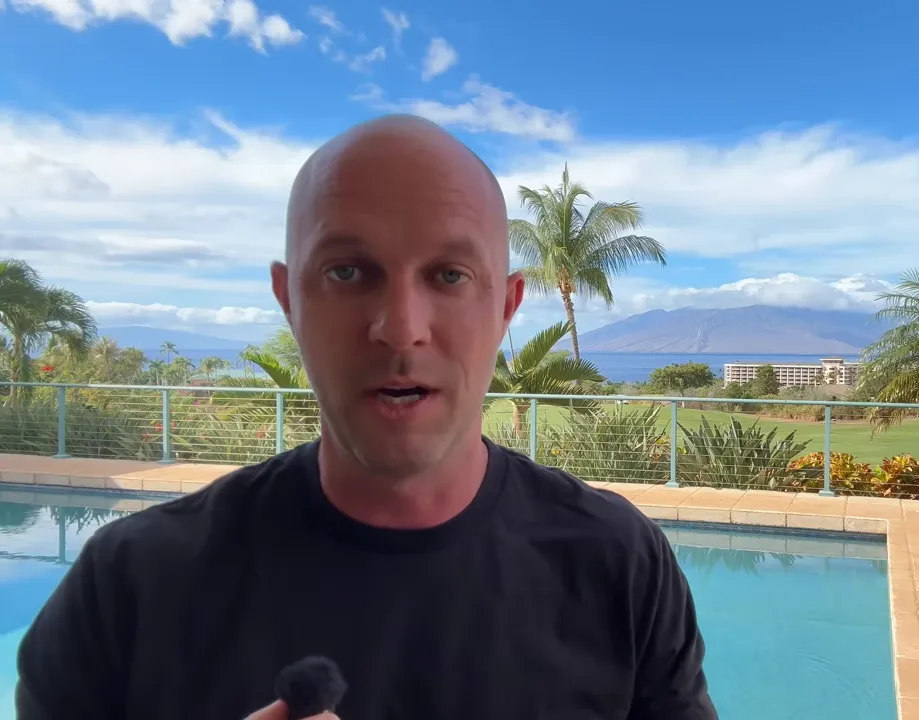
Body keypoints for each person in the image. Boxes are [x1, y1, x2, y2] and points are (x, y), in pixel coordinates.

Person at [16, 115, 718, 720]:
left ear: (504, 308)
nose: (400, 328)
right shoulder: (128, 590)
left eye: (449, 275)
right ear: (289, 300)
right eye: (349, 272)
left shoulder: (619, 568)